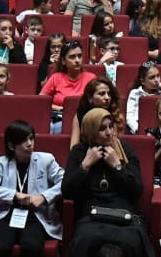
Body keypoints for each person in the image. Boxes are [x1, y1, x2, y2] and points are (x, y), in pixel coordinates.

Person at [64, 107, 155, 257]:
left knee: (132, 241)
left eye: (110, 127)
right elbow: (67, 190)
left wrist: (117, 166)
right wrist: (85, 165)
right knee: (84, 240)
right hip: (91, 216)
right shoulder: (79, 152)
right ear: (91, 131)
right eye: (102, 129)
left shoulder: (126, 150)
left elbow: (137, 190)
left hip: (125, 216)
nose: (109, 132)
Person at [0, 119, 63, 257]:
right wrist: (14, 195)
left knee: (32, 246)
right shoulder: (1, 163)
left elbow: (65, 182)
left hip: (35, 215)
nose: (30, 144)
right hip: (7, 214)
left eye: (31, 138)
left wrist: (43, 197)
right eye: (24, 141)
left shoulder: (46, 160)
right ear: (12, 146)